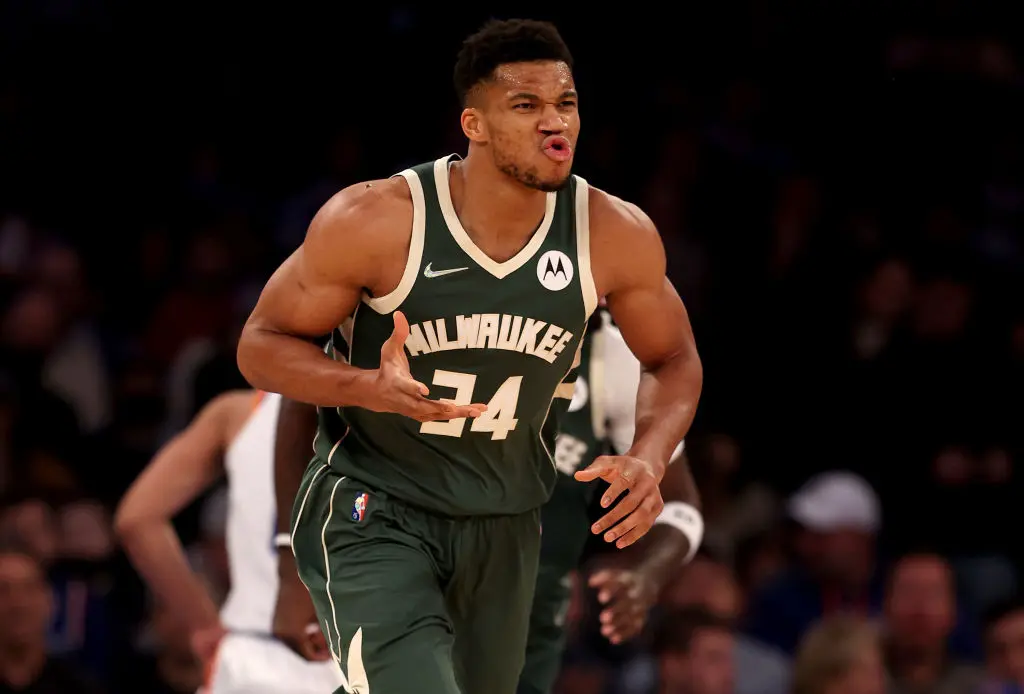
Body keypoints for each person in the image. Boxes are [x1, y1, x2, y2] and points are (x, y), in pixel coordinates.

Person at [237, 18, 703, 694]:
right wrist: (364, 385)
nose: (555, 123)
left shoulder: (613, 234)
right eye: (526, 105)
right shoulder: (377, 220)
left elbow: (674, 358)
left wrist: (650, 454)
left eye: (566, 104)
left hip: (505, 523)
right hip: (376, 506)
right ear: (474, 125)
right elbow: (261, 346)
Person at [114, 390, 344, 694]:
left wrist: (204, 626)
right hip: (361, 652)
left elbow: (137, 518)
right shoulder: (395, 402)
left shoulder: (238, 412)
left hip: (251, 655)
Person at [518, 306, 696, 694]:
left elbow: (681, 506)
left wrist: (645, 576)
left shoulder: (613, 358)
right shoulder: (455, 317)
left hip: (537, 610)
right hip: (435, 575)